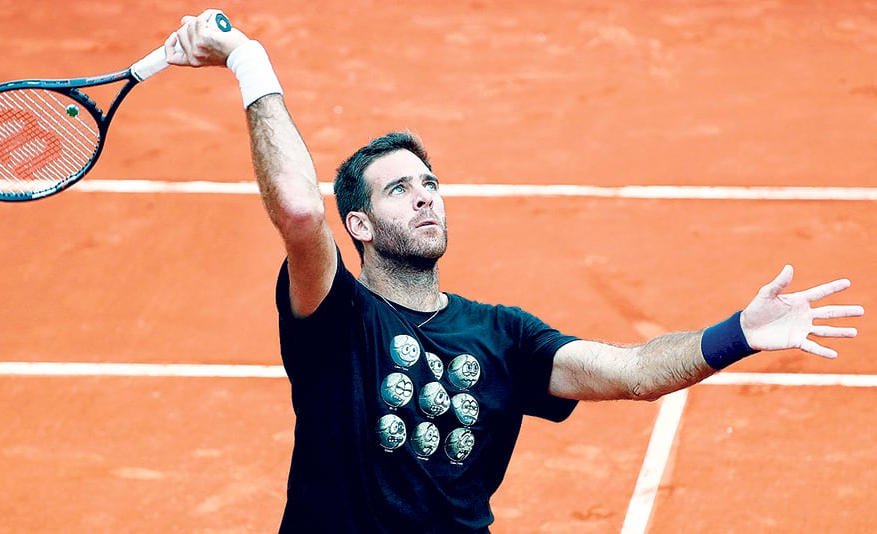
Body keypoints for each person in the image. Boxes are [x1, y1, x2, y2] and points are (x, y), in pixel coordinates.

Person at [166, 10, 865, 533]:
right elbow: (297, 209)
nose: (425, 196)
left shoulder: (502, 336)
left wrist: (740, 332)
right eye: (398, 189)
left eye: (430, 183)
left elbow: (635, 373)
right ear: (360, 225)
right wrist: (248, 59)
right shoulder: (337, 317)